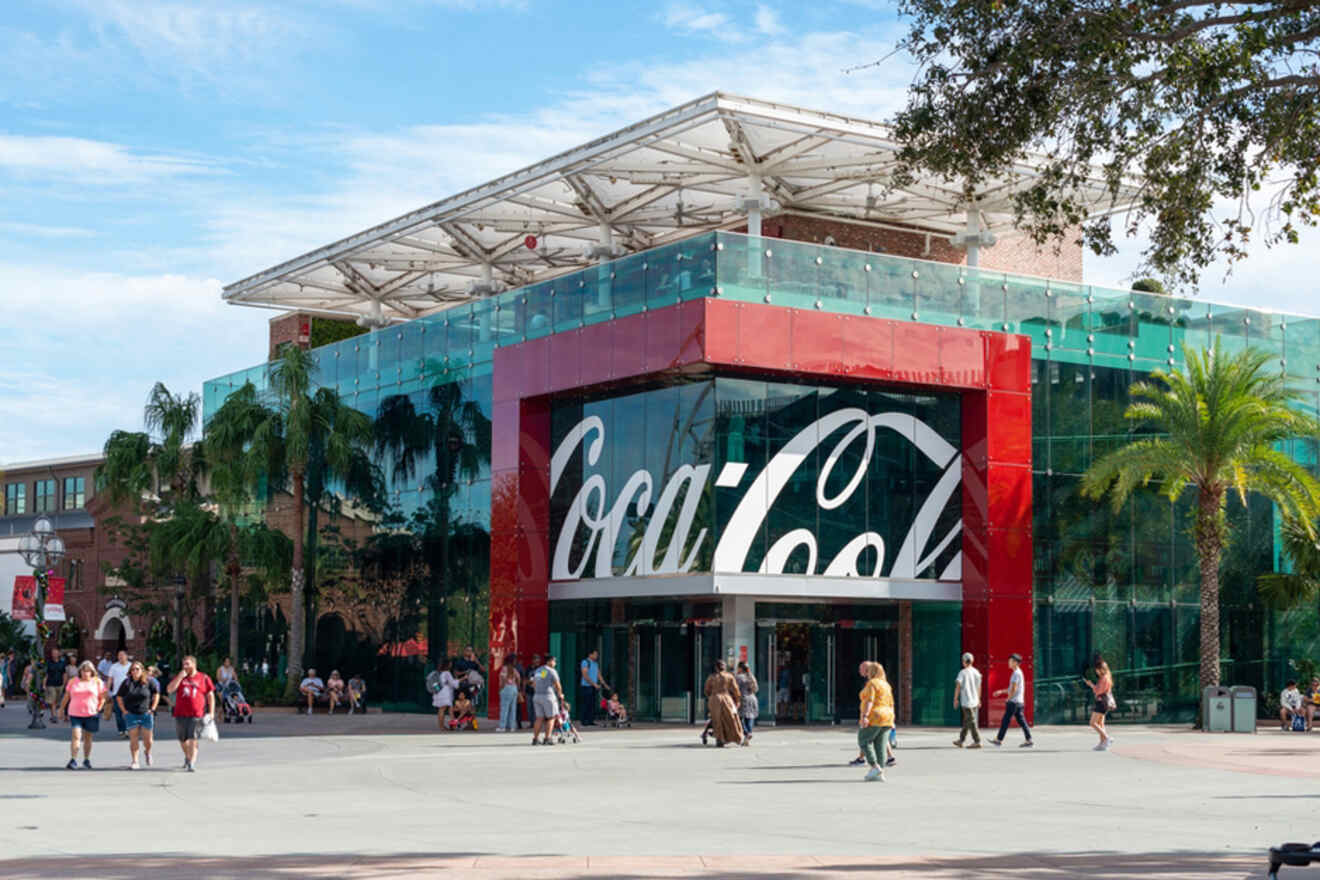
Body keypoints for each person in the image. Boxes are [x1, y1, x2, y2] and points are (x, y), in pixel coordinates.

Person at [167, 655, 216, 772]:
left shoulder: (203, 678)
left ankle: (191, 762)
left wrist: (211, 712)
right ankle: (188, 757)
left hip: (197, 714)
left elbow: (210, 696)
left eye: (187, 664)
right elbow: (169, 689)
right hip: (180, 713)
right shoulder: (180, 677)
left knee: (193, 738)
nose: (185, 667)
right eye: (184, 664)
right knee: (182, 740)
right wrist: (179, 676)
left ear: (194, 664)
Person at [59, 660, 107, 769]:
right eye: (84, 671)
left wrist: (100, 706)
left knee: (88, 738)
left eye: (88, 671)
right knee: (76, 735)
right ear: (80, 671)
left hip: (91, 713)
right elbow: (66, 696)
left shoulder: (97, 682)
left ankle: (86, 759)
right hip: (75, 713)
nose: (86, 674)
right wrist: (61, 709)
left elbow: (103, 696)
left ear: (92, 672)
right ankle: (73, 759)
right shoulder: (73, 681)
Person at [116, 660, 160, 769]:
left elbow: (156, 694)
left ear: (142, 670)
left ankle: (147, 752)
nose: (135, 671)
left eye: (137, 669)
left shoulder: (149, 681)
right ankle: (135, 761)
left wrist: (153, 708)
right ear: (130, 671)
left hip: (146, 714)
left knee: (148, 740)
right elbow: (119, 697)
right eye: (133, 669)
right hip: (131, 714)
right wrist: (124, 710)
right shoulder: (126, 683)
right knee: (133, 739)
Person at [858, 661, 895, 782]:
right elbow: (891, 703)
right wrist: (892, 718)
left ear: (872, 672)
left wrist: (865, 715)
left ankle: (874, 766)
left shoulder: (872, 683)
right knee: (881, 745)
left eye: (868, 671)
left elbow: (870, 700)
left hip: (875, 716)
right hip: (887, 717)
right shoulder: (886, 685)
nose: (867, 673)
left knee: (863, 740)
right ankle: (879, 772)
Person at [991, 653, 1033, 748]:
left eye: (1010, 661)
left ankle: (999, 740)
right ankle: (1029, 739)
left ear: (1015, 663)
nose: (1008, 663)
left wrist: (1008, 698)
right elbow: (1012, 688)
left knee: (1005, 721)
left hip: (1014, 702)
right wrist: (1001, 691)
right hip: (1019, 702)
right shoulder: (1018, 672)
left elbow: (1014, 689)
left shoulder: (1016, 674)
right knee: (1022, 721)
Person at [702, 660, 744, 747]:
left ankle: (720, 739)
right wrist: (737, 700)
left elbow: (706, 690)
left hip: (714, 699)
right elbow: (735, 690)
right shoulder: (729, 676)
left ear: (716, 667)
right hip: (726, 698)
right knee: (730, 718)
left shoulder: (711, 677)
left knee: (717, 719)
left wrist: (711, 696)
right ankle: (736, 737)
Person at [531, 655, 564, 745]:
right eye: (554, 661)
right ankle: (547, 738)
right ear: (550, 661)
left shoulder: (539, 670)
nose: (555, 663)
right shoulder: (551, 671)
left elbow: (534, 684)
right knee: (551, 717)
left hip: (537, 696)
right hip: (548, 696)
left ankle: (535, 739)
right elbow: (558, 685)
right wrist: (560, 694)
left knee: (539, 718)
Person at [952, 652, 983, 748]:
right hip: (974, 700)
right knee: (967, 721)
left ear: (963, 661)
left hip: (966, 701)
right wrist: (979, 699)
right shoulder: (976, 672)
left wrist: (955, 699)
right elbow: (979, 687)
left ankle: (977, 741)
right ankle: (961, 740)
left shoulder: (962, 672)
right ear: (972, 661)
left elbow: (958, 686)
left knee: (971, 721)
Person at [1084, 655, 1115, 750]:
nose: (1096, 671)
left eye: (1097, 669)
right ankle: (1102, 744)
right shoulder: (1107, 677)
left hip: (1101, 702)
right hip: (1104, 703)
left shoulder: (1104, 678)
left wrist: (1091, 685)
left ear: (1101, 669)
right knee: (1100, 723)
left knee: (1092, 723)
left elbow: (1098, 691)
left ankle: (1106, 738)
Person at [578, 649, 610, 727]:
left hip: (593, 687)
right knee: (586, 703)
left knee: (592, 704)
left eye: (597, 654)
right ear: (590, 654)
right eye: (595, 654)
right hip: (586, 686)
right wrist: (594, 684)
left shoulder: (595, 663)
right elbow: (585, 675)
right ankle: (584, 721)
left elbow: (599, 675)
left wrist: (604, 684)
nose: (596, 656)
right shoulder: (585, 662)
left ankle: (590, 720)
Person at [426, 659, 458, 729]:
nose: (451, 665)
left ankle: (443, 726)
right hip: (445, 693)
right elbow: (453, 683)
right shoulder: (447, 673)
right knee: (444, 709)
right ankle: (447, 726)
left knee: (443, 709)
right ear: (447, 665)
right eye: (450, 663)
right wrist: (460, 680)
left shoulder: (438, 672)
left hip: (438, 692)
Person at [106, 650, 132, 738]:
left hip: (129, 694)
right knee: (118, 713)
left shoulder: (131, 666)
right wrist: (107, 691)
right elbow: (110, 679)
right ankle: (121, 730)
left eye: (122, 655)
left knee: (129, 712)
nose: (120, 657)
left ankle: (129, 729)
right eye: (119, 655)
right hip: (116, 694)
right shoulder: (114, 667)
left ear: (127, 656)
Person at [735, 661, 758, 744]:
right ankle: (748, 736)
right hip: (752, 698)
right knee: (750, 717)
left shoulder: (738, 677)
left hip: (743, 699)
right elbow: (756, 689)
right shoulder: (751, 676)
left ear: (740, 668)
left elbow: (735, 689)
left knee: (738, 718)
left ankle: (747, 733)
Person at [497, 655, 521, 732]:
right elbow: (519, 678)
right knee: (513, 709)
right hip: (514, 688)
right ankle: (512, 726)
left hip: (506, 688)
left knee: (504, 708)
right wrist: (517, 687)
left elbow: (503, 680)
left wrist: (501, 688)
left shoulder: (504, 669)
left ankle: (502, 727)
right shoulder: (514, 669)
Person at [43, 647, 65, 724]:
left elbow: (64, 674)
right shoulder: (48, 663)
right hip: (50, 684)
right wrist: (44, 684)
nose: (54, 654)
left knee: (57, 701)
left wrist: (64, 684)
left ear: (58, 654)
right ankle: (54, 716)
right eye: (53, 653)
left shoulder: (62, 663)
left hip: (60, 684)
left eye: (56, 653)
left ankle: (53, 714)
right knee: (53, 701)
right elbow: (46, 674)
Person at [522, 653, 541, 730]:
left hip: (538, 691)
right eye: (536, 659)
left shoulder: (541, 669)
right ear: (533, 660)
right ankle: (531, 723)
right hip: (529, 691)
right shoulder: (528, 668)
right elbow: (524, 680)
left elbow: (543, 679)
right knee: (529, 708)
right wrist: (523, 689)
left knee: (537, 708)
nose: (537, 661)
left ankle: (536, 723)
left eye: (538, 660)